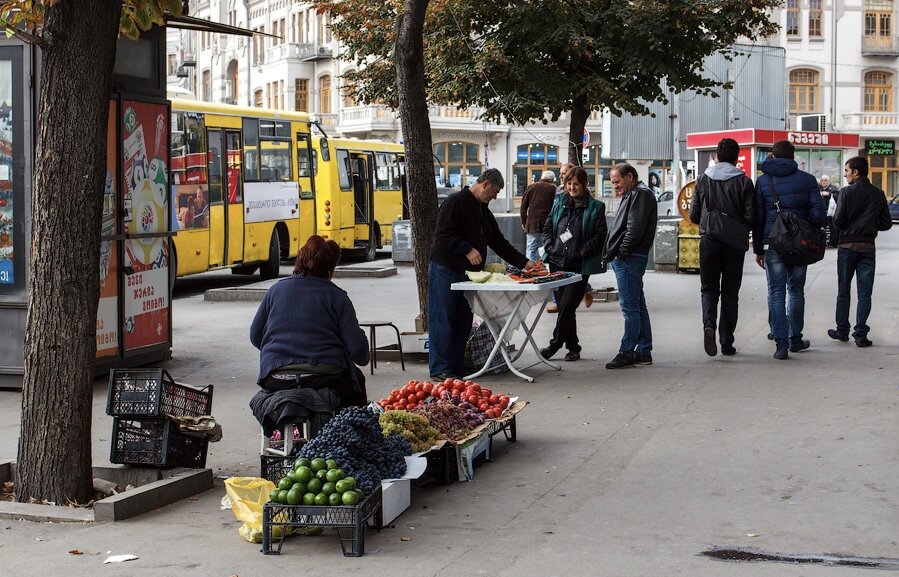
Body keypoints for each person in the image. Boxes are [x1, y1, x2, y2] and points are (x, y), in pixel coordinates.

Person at [428, 169, 537, 381]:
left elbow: (499, 242)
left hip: (468, 274)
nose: (495, 197)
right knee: (444, 318)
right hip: (446, 269)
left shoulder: (483, 211)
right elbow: (443, 233)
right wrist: (466, 249)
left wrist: (525, 263)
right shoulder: (455, 202)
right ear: (485, 184)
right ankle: (440, 368)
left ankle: (455, 366)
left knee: (463, 319)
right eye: (495, 191)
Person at [250, 235, 369, 408]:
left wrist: (281, 352)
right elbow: (358, 351)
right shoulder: (337, 297)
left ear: (299, 261)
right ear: (330, 270)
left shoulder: (275, 291)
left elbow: (255, 336)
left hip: (276, 377)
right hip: (327, 377)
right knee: (356, 384)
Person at [752, 139, 825, 360]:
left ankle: (780, 345)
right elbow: (819, 217)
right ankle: (795, 339)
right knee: (796, 291)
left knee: (776, 291)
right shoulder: (808, 180)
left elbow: (757, 218)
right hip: (799, 245)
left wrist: (758, 249)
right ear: (794, 157)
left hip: (773, 243)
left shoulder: (763, 182)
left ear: (772, 156)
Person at [689, 138, 755, 357]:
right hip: (734, 244)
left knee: (708, 288)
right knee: (730, 293)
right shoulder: (745, 182)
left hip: (709, 241)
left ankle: (709, 324)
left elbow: (694, 215)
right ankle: (727, 342)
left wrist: (711, 223)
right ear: (736, 158)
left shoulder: (702, 180)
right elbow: (751, 216)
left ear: (716, 156)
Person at [540, 166, 607, 362]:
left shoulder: (596, 207)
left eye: (576, 184)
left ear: (585, 185)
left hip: (579, 265)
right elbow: (547, 228)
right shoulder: (559, 202)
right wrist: (549, 246)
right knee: (564, 306)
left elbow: (600, 235)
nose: (571, 187)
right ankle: (573, 346)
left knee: (568, 305)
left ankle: (555, 344)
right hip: (557, 262)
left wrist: (583, 251)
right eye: (568, 183)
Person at [828, 156, 893, 347]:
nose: (846, 174)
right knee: (865, 293)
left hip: (847, 248)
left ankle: (842, 331)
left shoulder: (846, 193)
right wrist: (870, 227)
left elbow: (837, 221)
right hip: (867, 249)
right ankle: (861, 334)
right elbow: (887, 223)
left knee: (844, 291)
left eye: (847, 171)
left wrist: (849, 227)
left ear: (856, 172)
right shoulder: (878, 194)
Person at [604, 163, 657, 369]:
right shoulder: (635, 194)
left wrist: (622, 253)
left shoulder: (640, 195)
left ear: (630, 177)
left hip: (629, 257)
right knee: (637, 304)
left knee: (630, 308)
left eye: (617, 181)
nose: (615, 186)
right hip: (629, 256)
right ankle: (643, 350)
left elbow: (634, 229)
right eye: (613, 182)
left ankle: (627, 351)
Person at [520, 170, 557, 262]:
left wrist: (524, 222)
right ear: (552, 179)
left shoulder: (531, 187)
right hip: (548, 225)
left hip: (532, 224)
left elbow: (523, 207)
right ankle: (546, 270)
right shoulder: (553, 188)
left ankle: (531, 270)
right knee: (547, 248)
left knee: (531, 248)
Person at [819, 175, 840, 247]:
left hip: (831, 212)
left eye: (825, 180)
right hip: (822, 212)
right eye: (822, 180)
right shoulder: (819, 189)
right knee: (822, 228)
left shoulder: (833, 188)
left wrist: (828, 194)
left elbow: (838, 196)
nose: (824, 182)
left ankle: (833, 243)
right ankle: (824, 242)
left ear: (828, 181)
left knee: (832, 228)